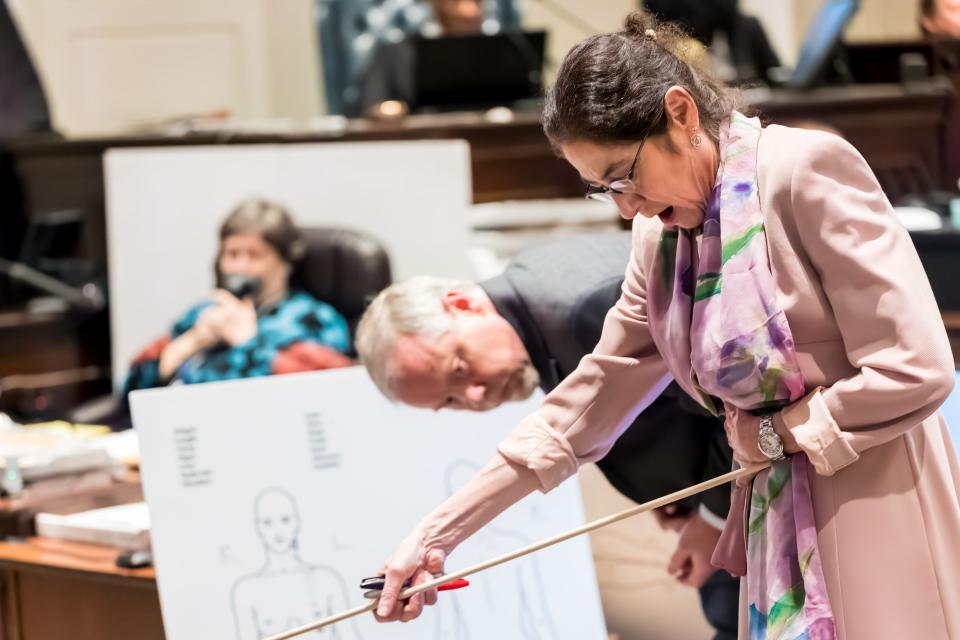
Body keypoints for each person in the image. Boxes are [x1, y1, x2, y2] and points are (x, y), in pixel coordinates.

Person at [369, 11, 960, 639]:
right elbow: (582, 408)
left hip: (876, 497)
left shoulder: (801, 169)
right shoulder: (660, 238)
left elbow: (916, 367)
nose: (626, 207)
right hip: (774, 515)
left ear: (680, 113)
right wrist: (434, 536)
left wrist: (774, 436)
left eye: (624, 176)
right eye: (603, 190)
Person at [355, 234, 739, 638]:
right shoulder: (534, 294)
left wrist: (713, 518)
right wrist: (675, 492)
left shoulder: (584, 307)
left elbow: (736, 411)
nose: (475, 395)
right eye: (450, 401)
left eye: (459, 368)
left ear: (461, 304)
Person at [124, 198, 351, 394]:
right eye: (232, 254)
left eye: (255, 255)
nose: (240, 266)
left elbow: (330, 390)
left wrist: (249, 343)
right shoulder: (204, 313)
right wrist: (190, 343)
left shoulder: (311, 319)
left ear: (285, 262)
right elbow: (128, 393)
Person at [349, 0, 485, 116]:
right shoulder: (394, 55)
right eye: (456, 1)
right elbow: (372, 107)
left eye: (477, 1)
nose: (470, 10)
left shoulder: (497, 53)